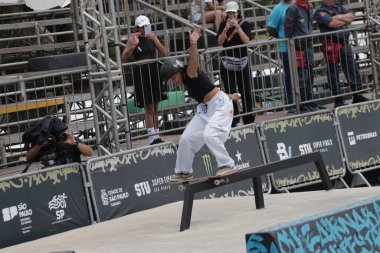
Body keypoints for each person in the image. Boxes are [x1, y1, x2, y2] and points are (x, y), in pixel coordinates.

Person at [160, 27, 240, 182]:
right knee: (186, 138)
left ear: (179, 71)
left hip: (220, 107)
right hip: (206, 109)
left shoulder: (189, 73)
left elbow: (193, 62)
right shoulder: (188, 81)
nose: (173, 81)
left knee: (210, 134)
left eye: (174, 77)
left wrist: (193, 43)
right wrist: (233, 96)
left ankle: (227, 164)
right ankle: (184, 171)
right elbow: (211, 90)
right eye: (170, 80)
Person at [121, 15, 168, 145]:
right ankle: (152, 137)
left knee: (156, 105)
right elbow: (123, 57)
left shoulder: (152, 38)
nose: (146, 29)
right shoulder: (133, 39)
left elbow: (165, 53)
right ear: (137, 28)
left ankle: (157, 135)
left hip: (154, 70)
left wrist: (156, 40)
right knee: (148, 106)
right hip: (141, 72)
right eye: (143, 27)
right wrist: (132, 46)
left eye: (147, 26)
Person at [315, 0, 369, 107]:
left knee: (352, 69)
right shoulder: (319, 11)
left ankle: (357, 95)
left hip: (345, 43)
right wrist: (344, 19)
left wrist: (338, 17)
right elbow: (332, 24)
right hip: (331, 44)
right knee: (333, 73)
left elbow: (352, 17)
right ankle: (338, 99)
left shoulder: (338, 6)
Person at [216, 1, 255, 126]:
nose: (231, 15)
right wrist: (226, 28)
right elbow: (220, 42)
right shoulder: (223, 24)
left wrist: (237, 28)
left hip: (241, 62)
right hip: (227, 63)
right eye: (229, 13)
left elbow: (246, 41)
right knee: (230, 92)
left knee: (246, 91)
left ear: (238, 12)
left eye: (233, 12)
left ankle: (249, 118)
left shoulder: (245, 24)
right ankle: (234, 119)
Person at [285, 0, 325, 112]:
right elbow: (288, 30)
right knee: (301, 76)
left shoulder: (309, 6)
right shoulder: (293, 8)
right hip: (298, 46)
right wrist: (296, 41)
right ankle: (302, 104)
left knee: (310, 74)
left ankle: (309, 102)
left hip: (308, 45)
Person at [267, 0, 295, 113]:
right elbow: (270, 28)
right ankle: (290, 104)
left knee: (304, 74)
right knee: (289, 76)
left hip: (300, 46)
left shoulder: (296, 4)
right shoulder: (278, 9)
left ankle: (306, 101)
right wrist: (282, 36)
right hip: (285, 48)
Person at [26, 121, 93, 166]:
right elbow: (27, 158)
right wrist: (40, 145)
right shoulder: (43, 144)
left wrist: (75, 143)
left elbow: (90, 153)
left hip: (73, 175)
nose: (56, 138)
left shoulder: (69, 140)